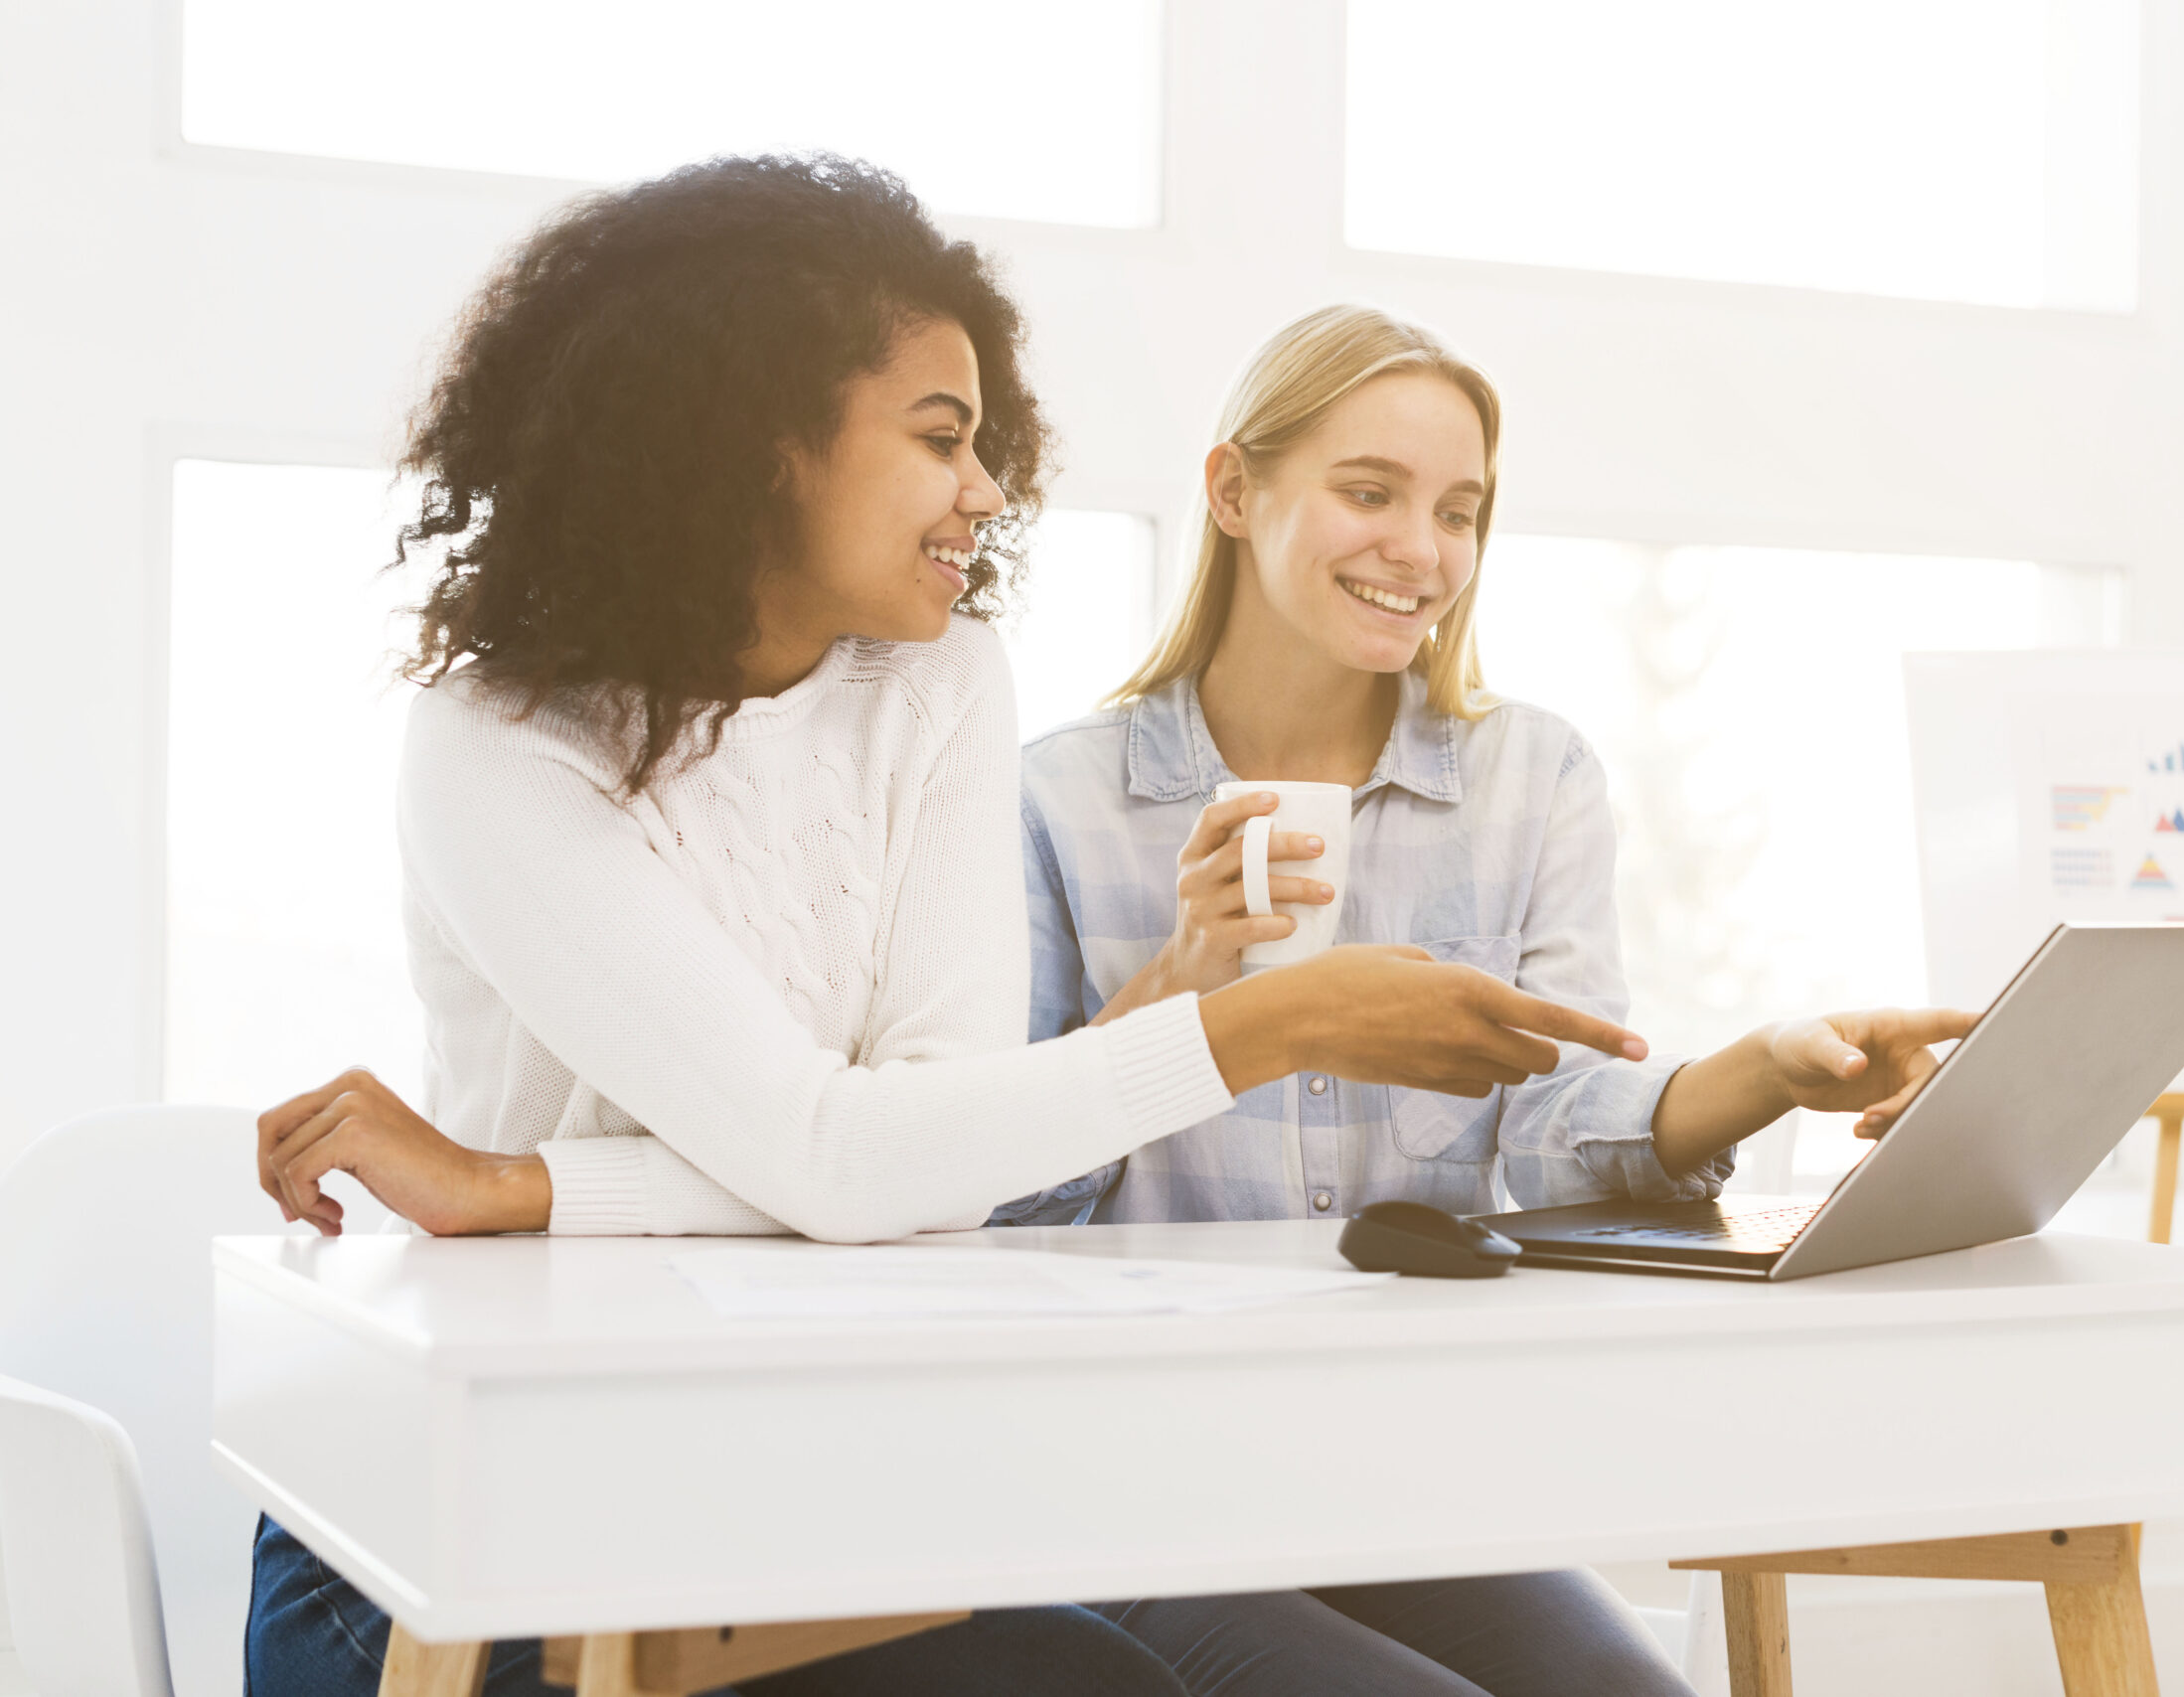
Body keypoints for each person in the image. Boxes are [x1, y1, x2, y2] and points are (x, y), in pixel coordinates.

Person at [243, 161, 1647, 1697]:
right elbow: (850, 1157)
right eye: (939, 440)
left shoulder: (936, 683)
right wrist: (1271, 1022)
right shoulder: (497, 744)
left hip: (787, 1491)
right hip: (459, 1549)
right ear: (756, 444)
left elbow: (930, 1177)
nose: (987, 491)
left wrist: (523, 1185)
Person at [996, 304, 1976, 1695]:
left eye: (1459, 511)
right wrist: (1183, 991)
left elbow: (1556, 1120)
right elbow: (989, 1204)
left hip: (1404, 1473)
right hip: (1139, 1480)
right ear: (1232, 491)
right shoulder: (1057, 799)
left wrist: (1768, 1067)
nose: (1422, 550)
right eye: (1369, 492)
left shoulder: (1532, 783)